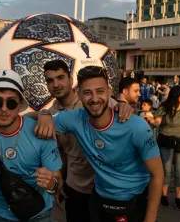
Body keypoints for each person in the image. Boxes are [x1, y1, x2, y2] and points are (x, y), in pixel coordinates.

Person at [37, 66, 163, 222]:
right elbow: (28, 122)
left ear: (109, 92)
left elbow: (157, 174)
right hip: (98, 201)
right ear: (80, 95)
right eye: (87, 93)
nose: (95, 98)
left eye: (100, 91)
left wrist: (150, 219)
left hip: (133, 202)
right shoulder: (75, 118)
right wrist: (44, 114)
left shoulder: (136, 126)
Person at [0, 69, 63, 221]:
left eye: (11, 102)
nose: (4, 109)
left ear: (20, 103)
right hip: (0, 214)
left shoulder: (41, 132)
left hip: (39, 213)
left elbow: (57, 185)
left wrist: (51, 185)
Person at [145, 86, 180, 211]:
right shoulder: (164, 108)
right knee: (166, 170)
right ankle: (164, 195)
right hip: (165, 141)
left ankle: (178, 198)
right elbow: (158, 122)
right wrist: (152, 120)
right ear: (176, 96)